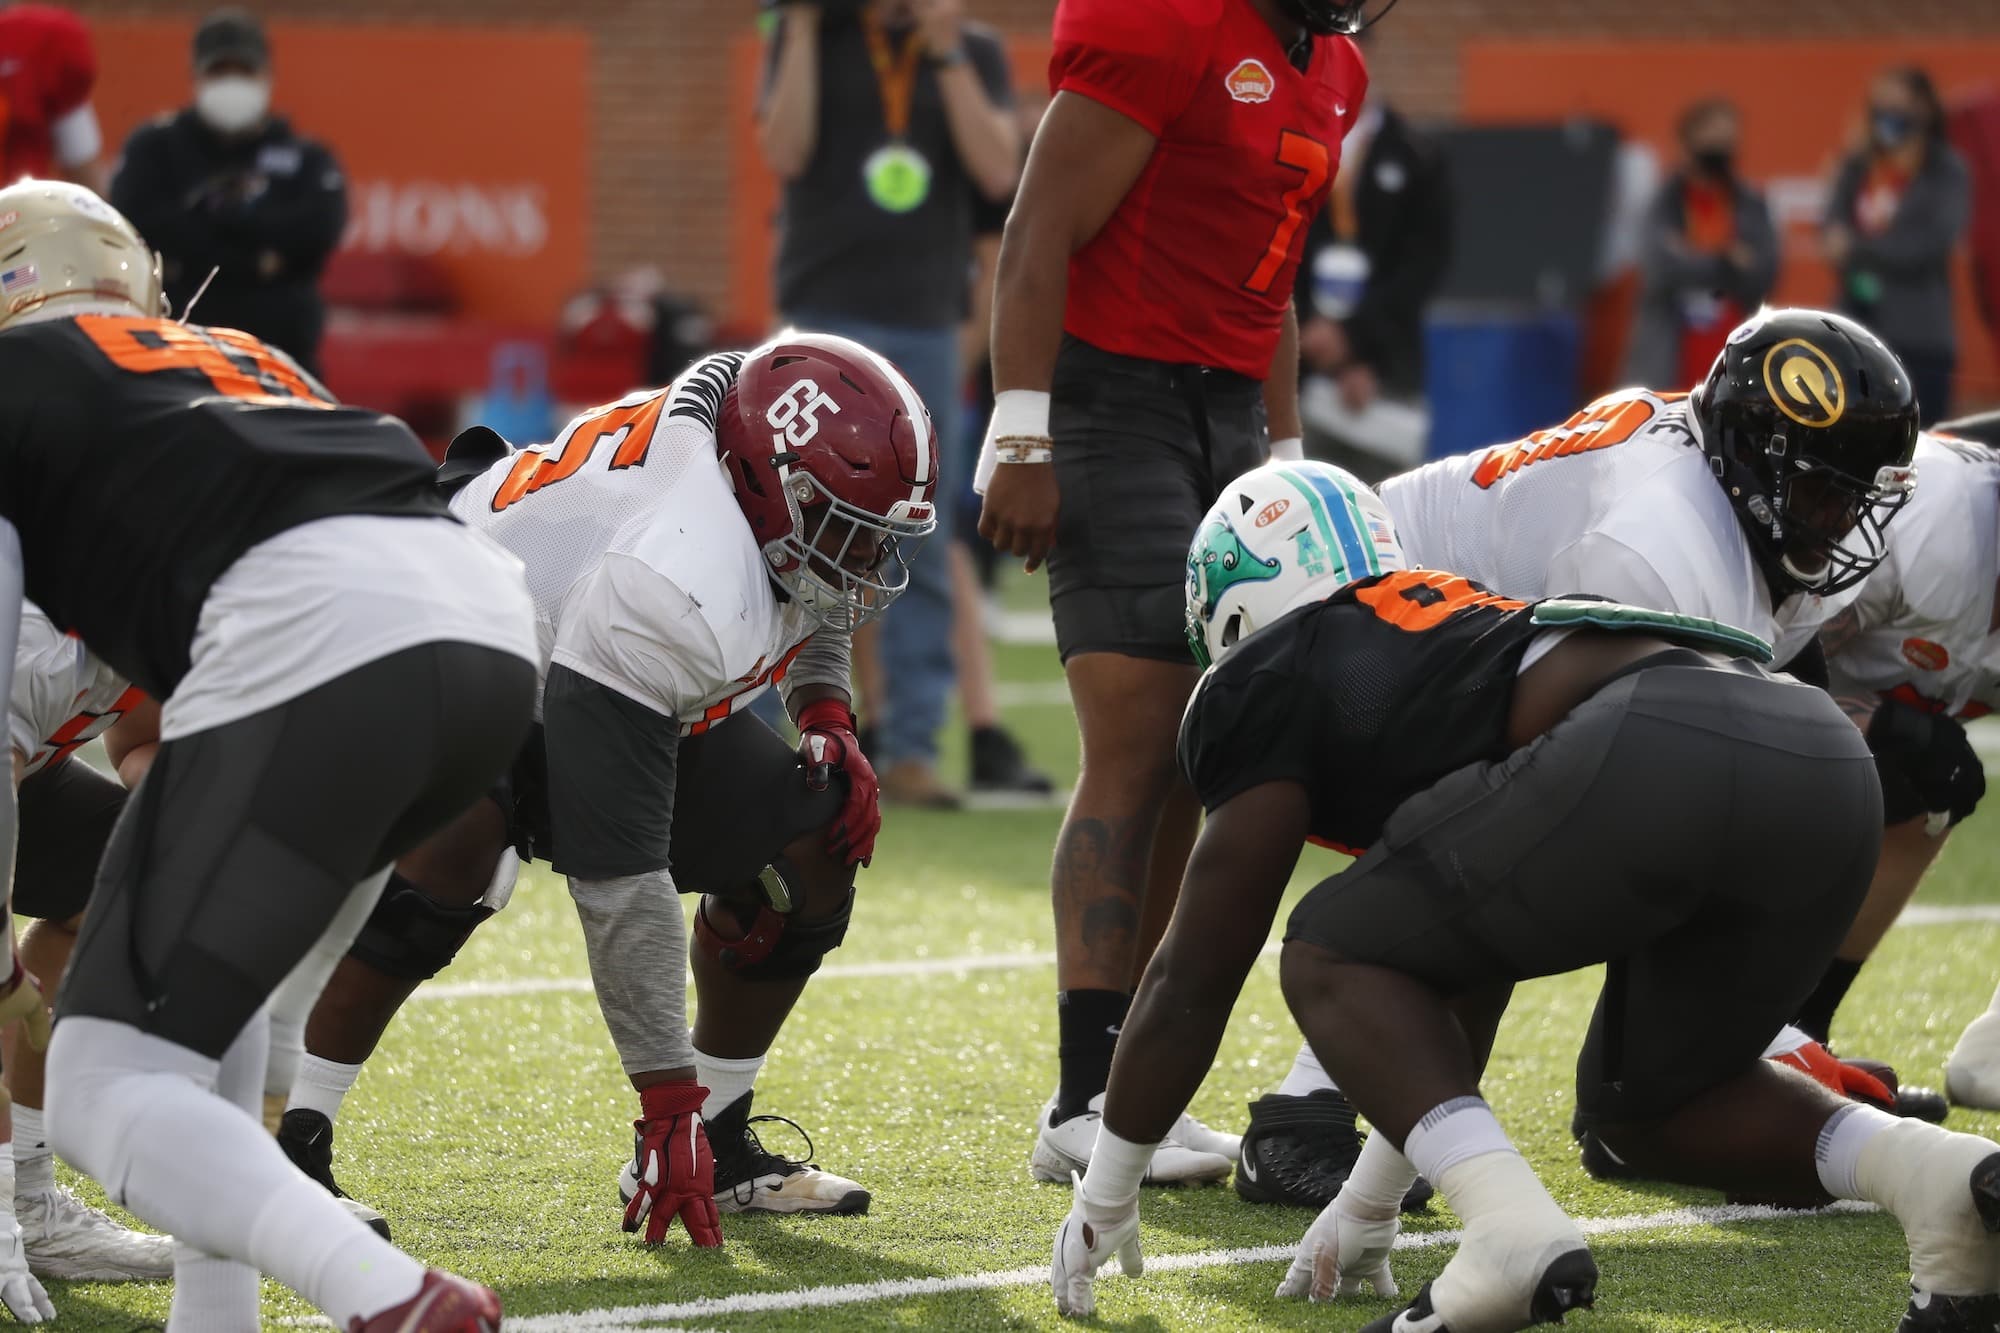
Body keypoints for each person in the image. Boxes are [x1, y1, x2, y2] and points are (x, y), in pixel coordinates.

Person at [1051, 459, 2000, 1333]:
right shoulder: (1449, 635)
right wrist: (1373, 1198)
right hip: (1822, 756)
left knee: (1327, 946)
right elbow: (1460, 968)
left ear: (1236, 612)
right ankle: (1938, 1181)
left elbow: (1193, 972)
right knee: (1648, 1109)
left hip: (1663, 739)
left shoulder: (1277, 669)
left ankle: (1509, 1233)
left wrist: (1107, 1189)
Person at [1238, 307, 1928, 1206]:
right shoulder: (1660, 542)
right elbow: (1629, 803)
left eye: (1853, 494)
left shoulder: (1736, 502)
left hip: (1478, 641)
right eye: (1823, 492)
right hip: (1365, 635)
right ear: (1757, 461)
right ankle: (1302, 1115)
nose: (1840, 520)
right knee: (1493, 876)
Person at [0, 178, 537, 1332]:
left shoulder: (16, 385)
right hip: (486, 631)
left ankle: (389, 1295)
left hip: (319, 636)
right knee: (202, 1012)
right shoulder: (237, 356)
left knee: (101, 1086)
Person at [263, 333, 936, 1247]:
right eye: (843, 524)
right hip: (437, 637)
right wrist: (665, 1098)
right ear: (767, 483)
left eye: (873, 533)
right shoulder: (672, 577)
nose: (862, 560)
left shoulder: (753, 454)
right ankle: (287, 1139)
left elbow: (818, 581)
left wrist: (825, 711)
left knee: (811, 835)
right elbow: (619, 878)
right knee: (451, 854)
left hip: (580, 646)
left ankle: (726, 1137)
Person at [977, 0, 1371, 1185]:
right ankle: (1076, 1100)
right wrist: (1026, 432)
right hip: (1111, 404)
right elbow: (1038, 226)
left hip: (1227, 419)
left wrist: (1290, 452)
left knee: (1207, 755)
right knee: (1136, 745)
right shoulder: (1167, 19)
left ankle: (1127, 1090)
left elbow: (1272, 278)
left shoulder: (1332, 63)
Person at [759, 0, 1018, 808]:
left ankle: (909, 747)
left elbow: (1000, 171)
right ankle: (790, 739)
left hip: (923, 322)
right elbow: (783, 147)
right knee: (789, 526)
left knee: (917, 531)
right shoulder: (812, 36)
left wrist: (945, 58)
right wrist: (798, 28)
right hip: (818, 312)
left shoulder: (970, 49)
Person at [1794, 423, 1995, 1089]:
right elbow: (1731, 660)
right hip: (1673, 712)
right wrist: (1877, 726)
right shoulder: (1921, 518)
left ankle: (1799, 1036)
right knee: (1912, 755)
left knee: (1934, 777)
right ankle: (1723, 1053)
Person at [2, 611, 173, 1302]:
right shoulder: (35, 648)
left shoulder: (175, 605)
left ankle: (32, 1202)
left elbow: (143, 739)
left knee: (136, 883)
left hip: (24, 764)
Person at [110, 8, 347, 375]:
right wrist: (258, 259)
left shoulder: (305, 157)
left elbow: (318, 226)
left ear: (267, 76)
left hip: (282, 360)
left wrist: (215, 219)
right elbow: (137, 221)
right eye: (220, 71)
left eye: (243, 71)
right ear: (197, 76)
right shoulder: (156, 148)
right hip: (178, 357)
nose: (232, 82)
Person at [1293, 63, 1451, 467]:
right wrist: (1302, 327)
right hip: (1296, 367)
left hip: (1383, 372)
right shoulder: (1294, 138)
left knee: (1384, 508)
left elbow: (1420, 267)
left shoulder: (1416, 154)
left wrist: (1356, 343)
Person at [1823, 67, 1971, 427]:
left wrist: (1858, 248)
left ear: (1923, 109)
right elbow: (1832, 231)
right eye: (1880, 104)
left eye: (1898, 104)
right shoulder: (1857, 167)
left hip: (1919, 337)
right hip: (1855, 332)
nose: (1887, 113)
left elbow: (1929, 245)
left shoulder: (1945, 171)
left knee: (1919, 446)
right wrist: (1847, 245)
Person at [1623, 98, 1779, 390]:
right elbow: (1659, 269)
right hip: (1669, 363)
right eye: (1710, 138)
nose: (1718, 149)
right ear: (1686, 143)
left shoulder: (1750, 204)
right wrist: (1726, 261)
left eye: (1727, 140)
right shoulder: (1663, 203)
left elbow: (1763, 274)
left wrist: (1688, 255)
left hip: (1733, 362)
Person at [0, 5, 103, 190]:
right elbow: (82, 167)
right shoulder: (43, 40)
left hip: (21, 208)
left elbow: (81, 163)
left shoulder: (44, 43)